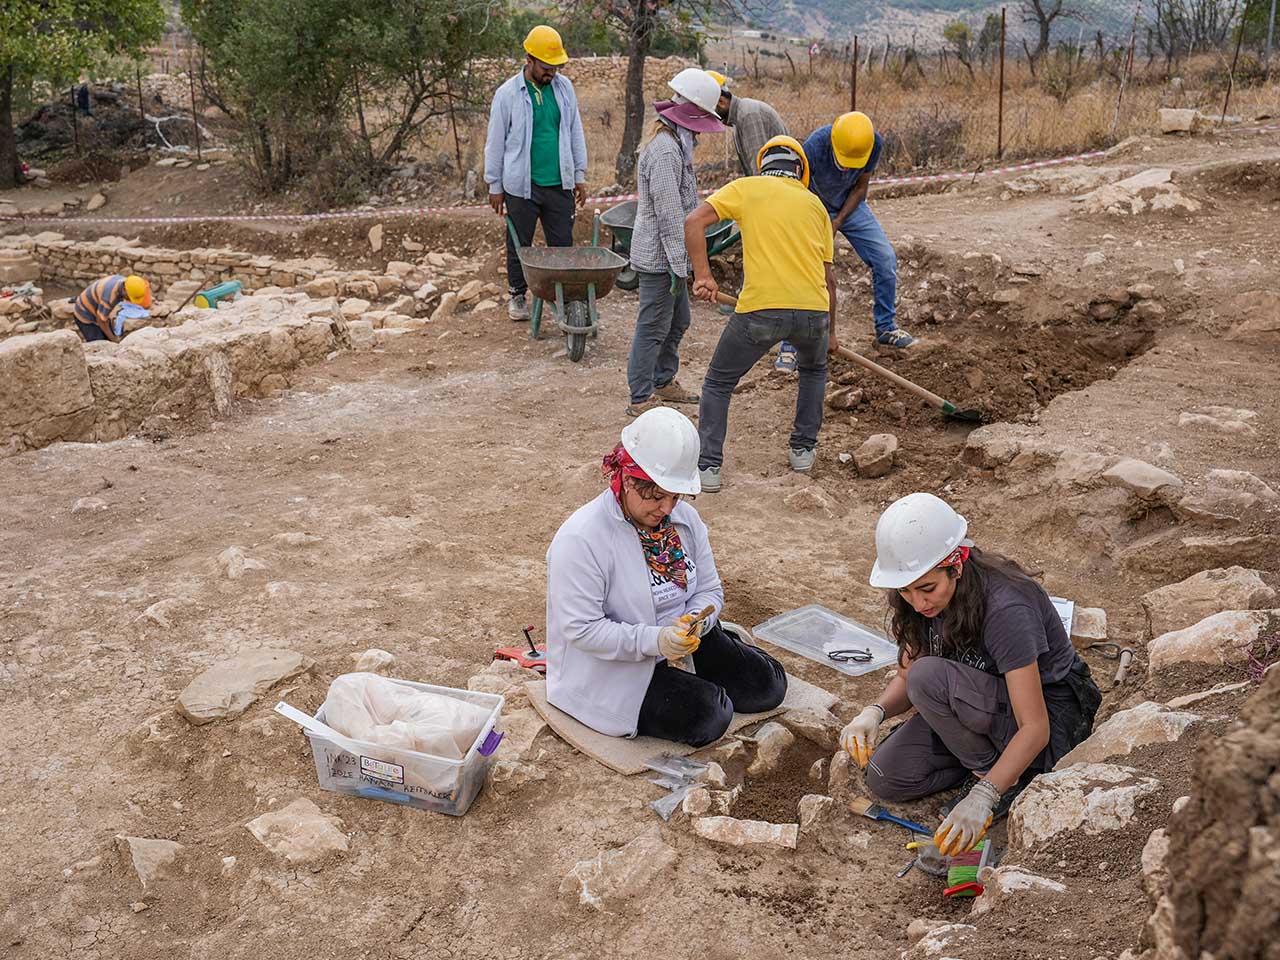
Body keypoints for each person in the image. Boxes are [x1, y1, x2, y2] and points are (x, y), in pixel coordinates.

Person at [841, 493, 1102, 856]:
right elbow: (905, 674)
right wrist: (874, 712)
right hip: (975, 706)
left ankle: (997, 777)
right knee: (888, 777)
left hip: (1048, 720)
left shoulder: (1006, 607)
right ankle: (994, 767)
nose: (918, 603)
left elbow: (1035, 727)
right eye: (905, 590)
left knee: (928, 679)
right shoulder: (919, 600)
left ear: (956, 563)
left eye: (927, 589)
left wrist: (985, 793)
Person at [545, 407, 787, 745]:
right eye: (657, 496)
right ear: (628, 478)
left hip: (683, 638)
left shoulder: (684, 521)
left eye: (675, 496)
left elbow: (709, 591)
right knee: (712, 714)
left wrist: (695, 623)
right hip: (614, 665)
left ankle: (713, 652)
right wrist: (656, 641)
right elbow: (582, 631)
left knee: (767, 686)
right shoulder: (581, 539)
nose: (667, 509)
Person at [685, 136, 837, 492]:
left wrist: (703, 275)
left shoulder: (746, 188)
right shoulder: (815, 205)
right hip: (814, 311)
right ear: (800, 171)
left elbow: (693, 221)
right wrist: (830, 333)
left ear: (763, 165)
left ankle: (708, 470)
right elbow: (829, 278)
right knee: (813, 371)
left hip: (761, 310)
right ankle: (802, 451)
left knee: (719, 382)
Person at [624, 68, 725, 419]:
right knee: (652, 326)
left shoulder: (678, 146)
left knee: (678, 319)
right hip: (660, 258)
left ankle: (663, 379)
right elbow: (670, 216)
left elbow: (683, 206)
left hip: (673, 255)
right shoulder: (666, 152)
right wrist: (687, 267)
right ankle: (640, 395)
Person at [484, 25, 588, 323]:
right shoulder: (507, 94)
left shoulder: (564, 89)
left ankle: (565, 298)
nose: (551, 73)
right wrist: (494, 184)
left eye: (556, 67)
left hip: (559, 183)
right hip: (521, 185)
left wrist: (579, 174)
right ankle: (517, 295)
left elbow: (574, 131)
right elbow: (496, 141)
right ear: (529, 59)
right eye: (546, 67)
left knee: (562, 246)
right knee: (520, 244)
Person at [708, 71, 799, 373]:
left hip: (779, 204)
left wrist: (756, 212)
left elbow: (767, 175)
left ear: (722, 99)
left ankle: (787, 341)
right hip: (770, 201)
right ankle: (752, 309)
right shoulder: (739, 118)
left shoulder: (749, 117)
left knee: (781, 266)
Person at [802, 112, 914, 350]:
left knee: (885, 258)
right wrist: (822, 222)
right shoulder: (814, 146)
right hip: (813, 206)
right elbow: (799, 190)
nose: (846, 167)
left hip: (849, 207)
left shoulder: (873, 144)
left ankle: (885, 327)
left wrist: (838, 221)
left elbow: (861, 188)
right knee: (810, 269)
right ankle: (793, 344)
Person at [71, 274, 151, 343]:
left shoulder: (126, 283)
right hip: (84, 314)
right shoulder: (109, 297)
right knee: (99, 346)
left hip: (97, 309)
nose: (130, 300)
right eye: (129, 297)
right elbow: (101, 320)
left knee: (107, 338)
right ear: (124, 290)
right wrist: (114, 340)